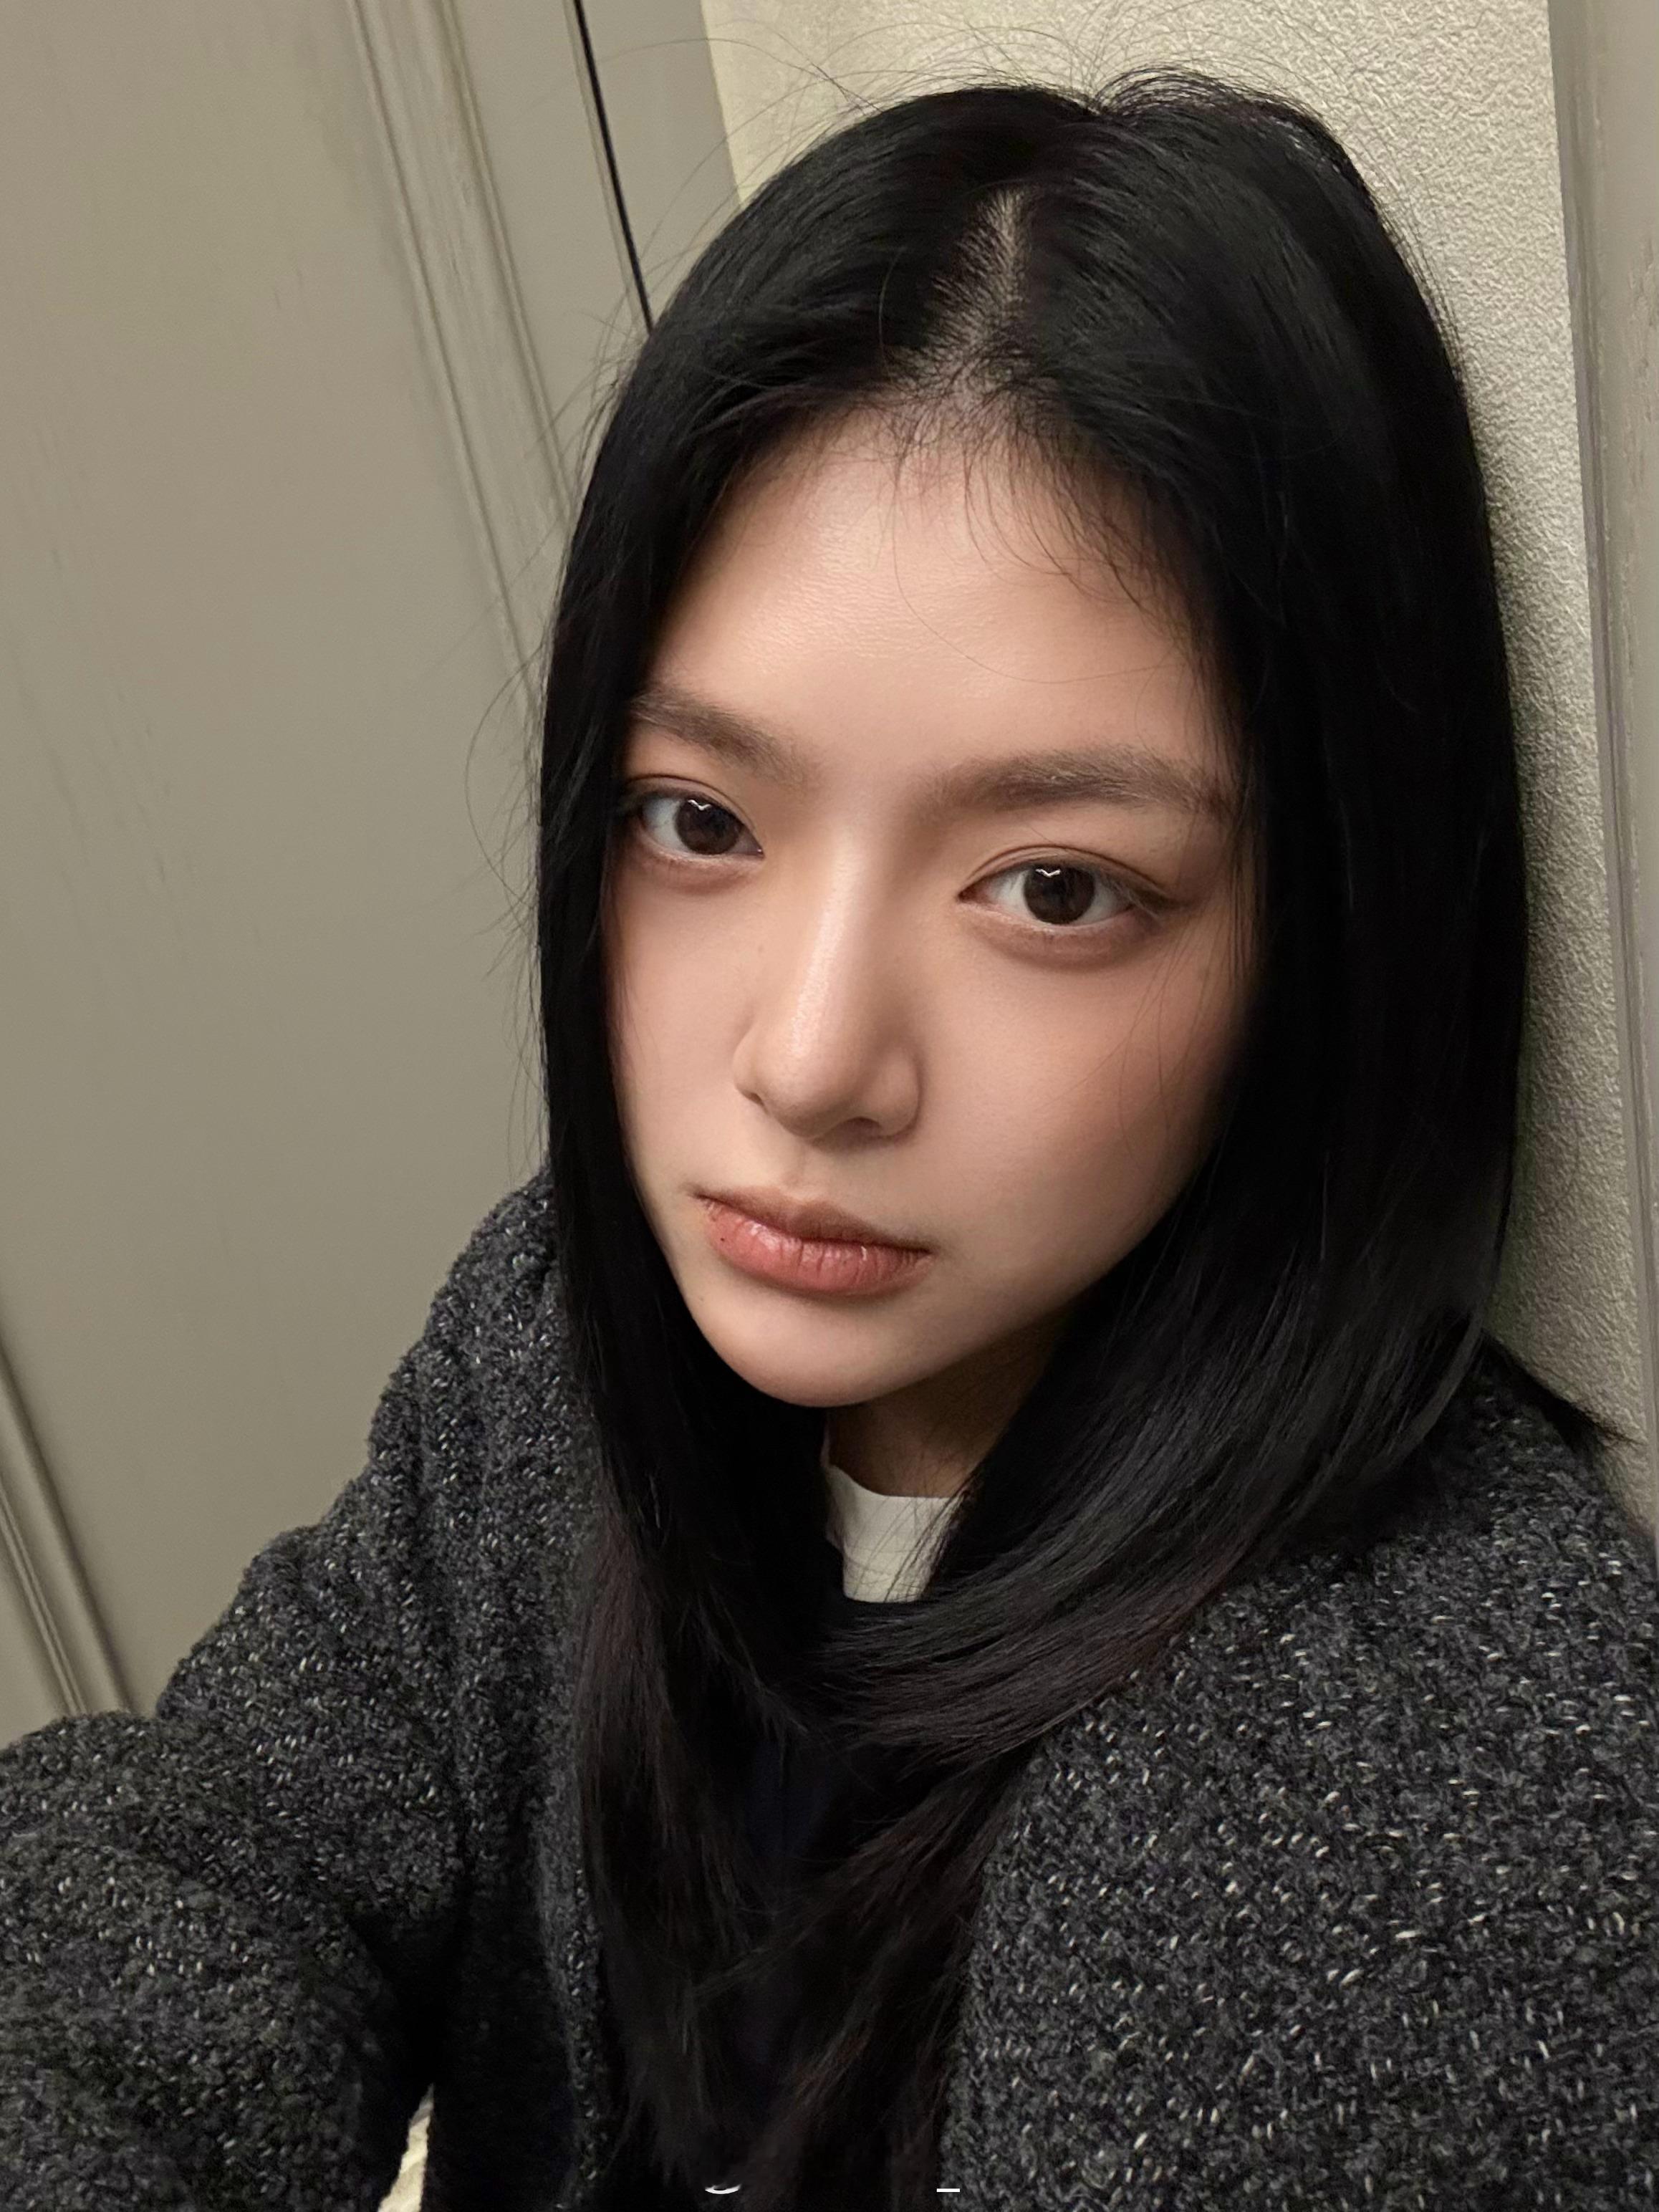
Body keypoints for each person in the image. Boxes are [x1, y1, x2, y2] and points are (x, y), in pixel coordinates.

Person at [2, 64, 1655, 2212]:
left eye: (1052, 886)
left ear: (1328, 935)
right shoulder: (556, 1331)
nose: (803, 1062)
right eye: (699, 821)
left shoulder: (1424, 1829)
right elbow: (210, 1858)